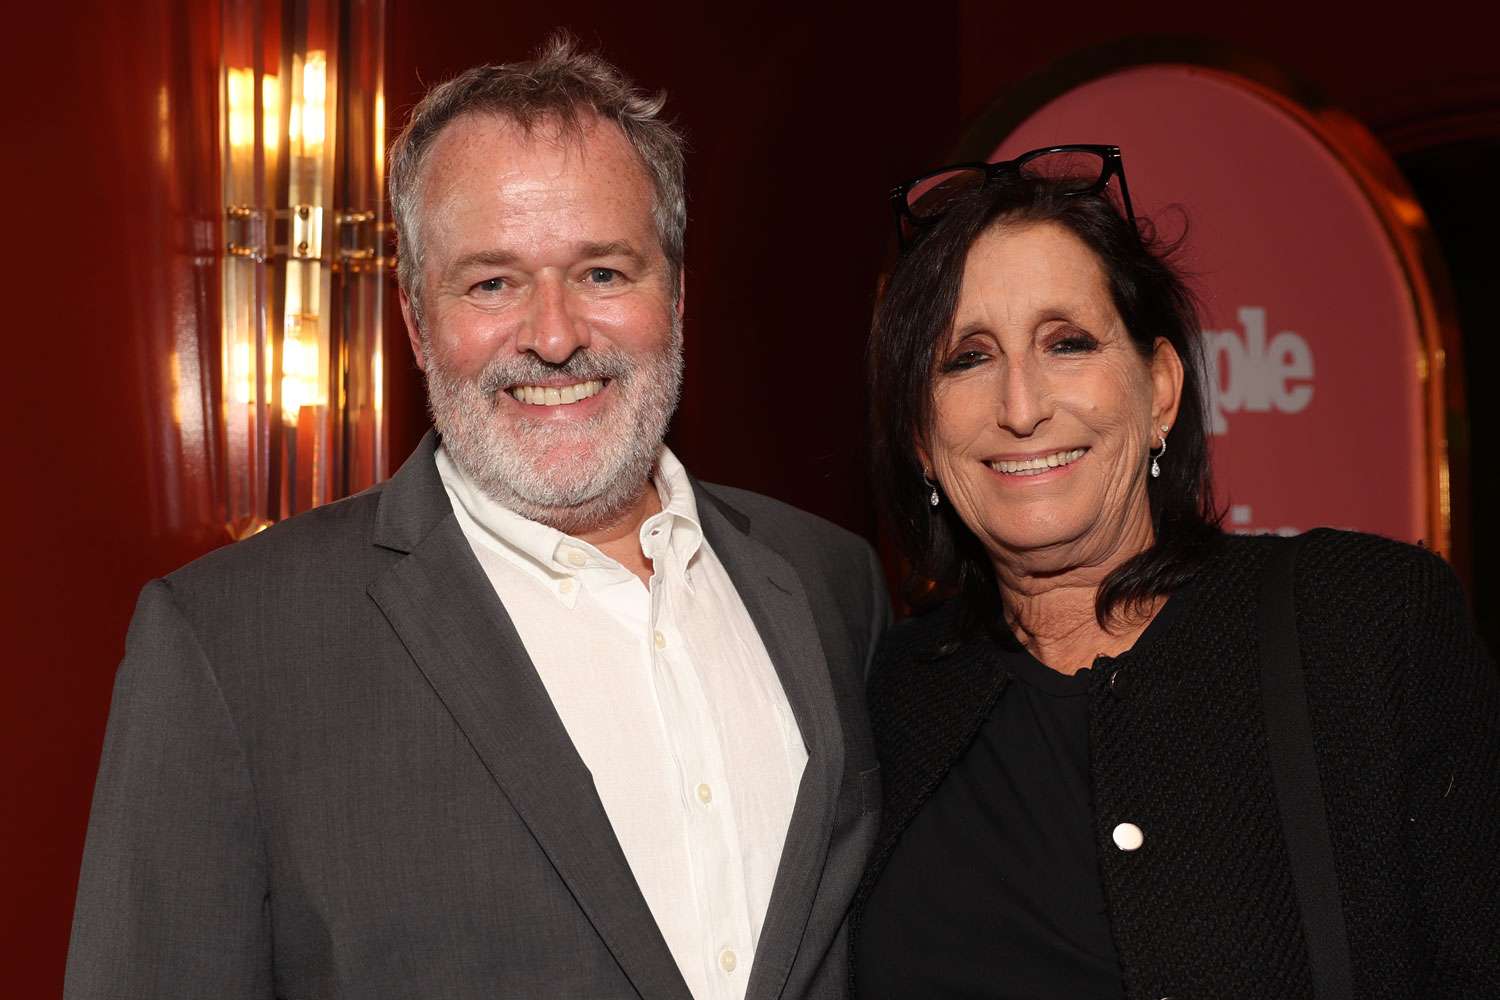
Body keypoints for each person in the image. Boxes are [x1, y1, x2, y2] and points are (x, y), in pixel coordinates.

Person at [65, 35, 889, 1000]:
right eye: (492, 282)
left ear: (675, 296)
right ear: (417, 322)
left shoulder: (827, 580)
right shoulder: (229, 646)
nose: (553, 336)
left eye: (604, 274)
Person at [852, 146, 1499, 998]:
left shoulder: (1363, 626)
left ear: (1160, 389)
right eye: (966, 357)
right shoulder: (880, 700)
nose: (1020, 406)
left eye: (1067, 343)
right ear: (919, 436)